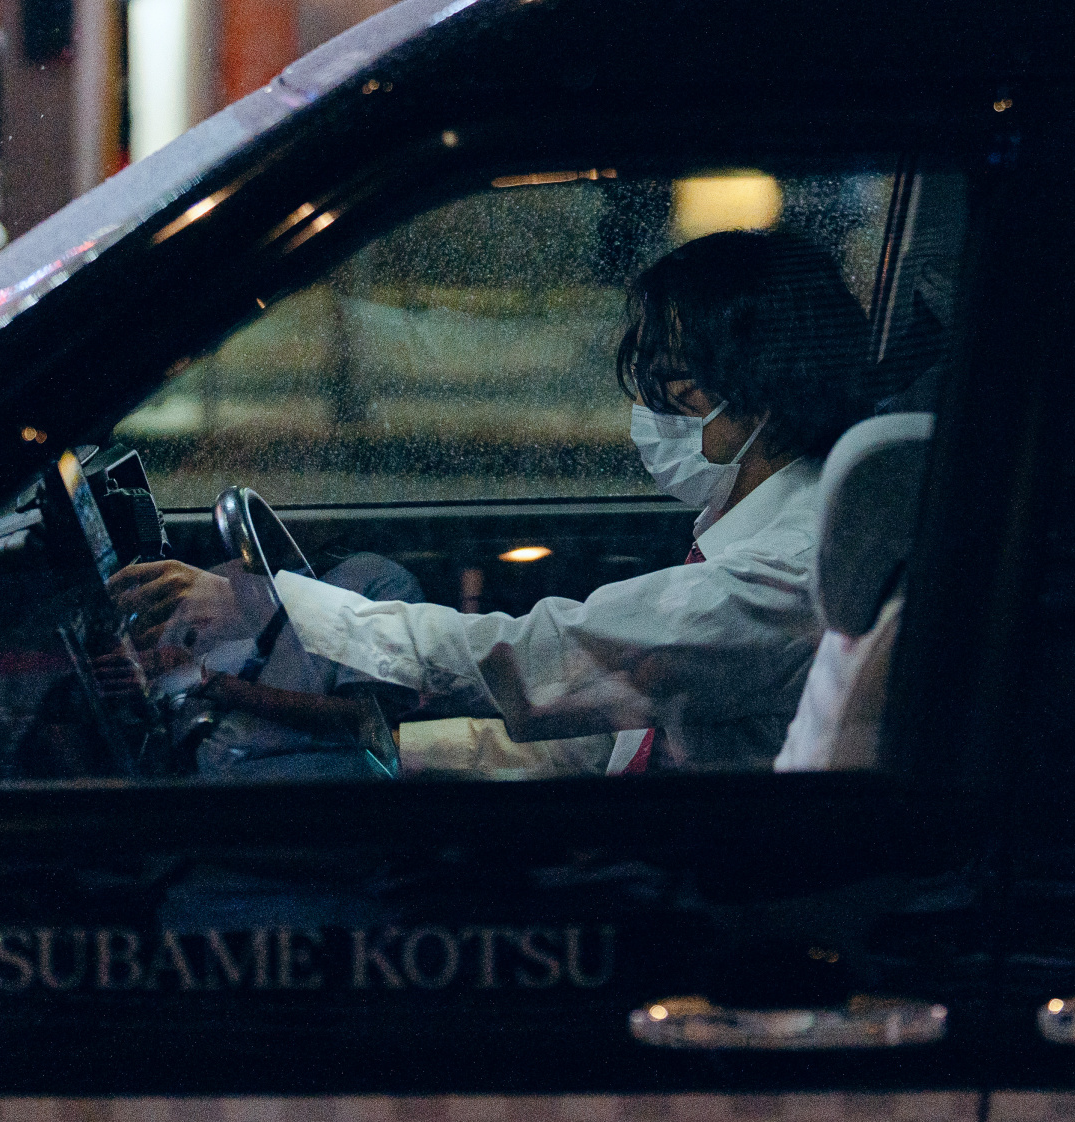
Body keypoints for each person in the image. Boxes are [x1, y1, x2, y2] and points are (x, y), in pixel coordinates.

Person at [110, 229, 873, 775]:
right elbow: (608, 729)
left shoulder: (786, 571)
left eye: (676, 385)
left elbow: (540, 657)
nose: (649, 408)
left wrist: (265, 604)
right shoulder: (749, 531)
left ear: (762, 392)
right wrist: (395, 752)